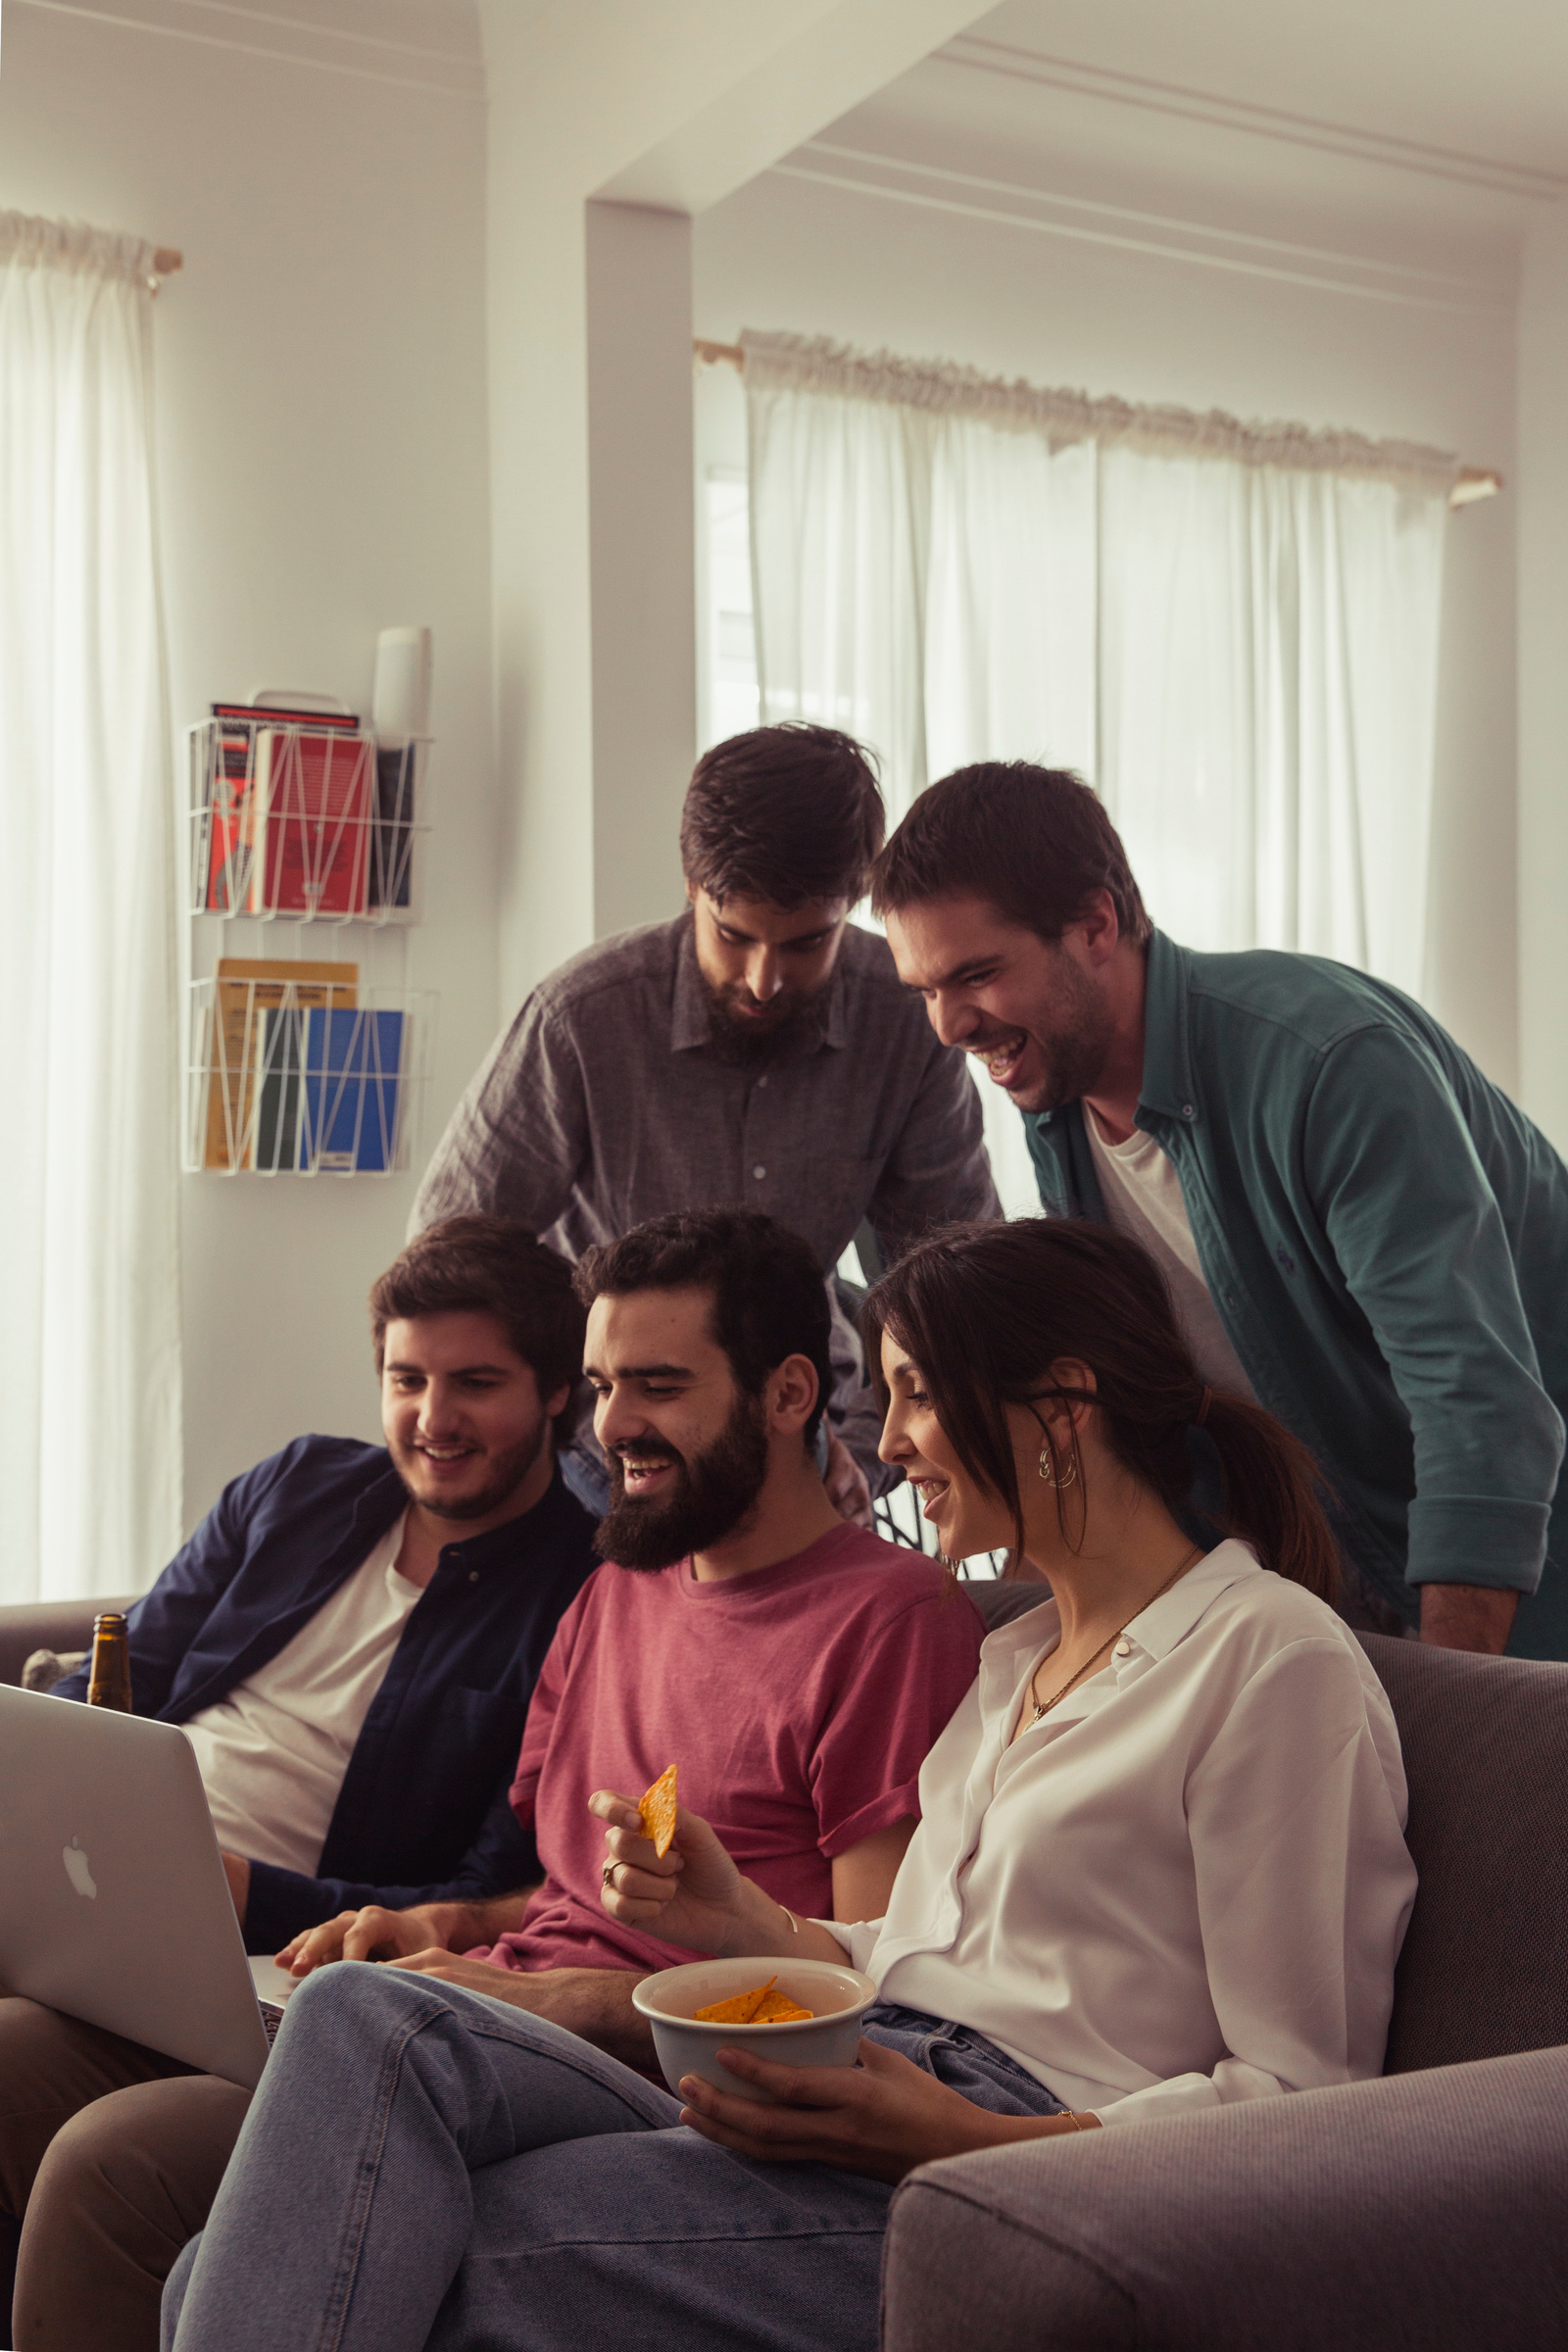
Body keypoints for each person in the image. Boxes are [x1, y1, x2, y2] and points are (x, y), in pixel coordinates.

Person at [157, 1217, 1416, 2352]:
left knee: (375, 2254)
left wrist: (961, 2141)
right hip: (856, 2059)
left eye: (919, 1394)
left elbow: (1302, 2098)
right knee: (359, 2021)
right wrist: (737, 1926)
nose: (894, 1438)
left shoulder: (1269, 1657)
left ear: (1062, 1406)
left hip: (1003, 2154)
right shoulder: (1021, 1655)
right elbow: (915, 1952)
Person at [0, 1216, 600, 2352]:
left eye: (476, 1383)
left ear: (559, 1393)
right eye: (407, 1377)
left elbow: (483, 1887)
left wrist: (245, 1892)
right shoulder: (301, 1486)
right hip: (115, 1881)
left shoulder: (579, 1592)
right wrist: (51, 1761)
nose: (433, 1419)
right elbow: (142, 1666)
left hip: (269, 1959)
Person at [870, 760, 1568, 1660]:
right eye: (925, 990)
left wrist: (1458, 1695)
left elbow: (1477, 1402)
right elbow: (1159, 1411)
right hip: (1339, 1589)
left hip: (1526, 1582)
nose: (948, 1027)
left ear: (1096, 925)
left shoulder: (1328, 1064)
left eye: (975, 975)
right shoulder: (1059, 1110)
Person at [276, 1209, 984, 2074]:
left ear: (789, 1394)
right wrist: (449, 1925)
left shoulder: (894, 1622)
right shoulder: (615, 1587)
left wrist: (580, 2004)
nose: (611, 1426)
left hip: (662, 2081)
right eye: (604, 1385)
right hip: (497, 2021)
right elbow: (578, 1901)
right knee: (125, 2128)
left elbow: (865, 2003)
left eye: (658, 1385)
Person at [410, 723, 1000, 1515]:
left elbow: (952, 1278)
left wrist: (867, 1448)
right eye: (734, 936)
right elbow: (450, 1261)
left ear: (853, 903)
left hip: (803, 1439)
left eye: (805, 945)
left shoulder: (907, 1022)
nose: (764, 980)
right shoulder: (581, 1019)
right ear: (691, 885)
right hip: (600, 1449)